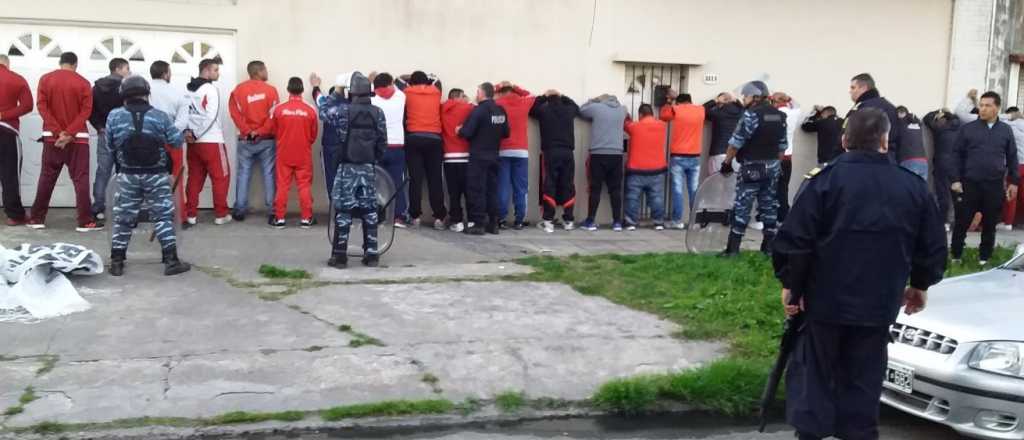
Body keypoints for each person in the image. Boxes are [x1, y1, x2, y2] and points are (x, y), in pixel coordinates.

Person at [773, 107, 947, 440]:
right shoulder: (912, 187)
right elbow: (932, 244)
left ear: (843, 140)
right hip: (878, 305)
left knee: (816, 377)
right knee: (864, 380)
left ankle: (812, 434)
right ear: (885, 140)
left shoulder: (823, 182)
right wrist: (920, 283)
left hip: (824, 303)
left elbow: (795, 240)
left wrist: (791, 286)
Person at [104, 75, 191, 277]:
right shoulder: (160, 116)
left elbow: (109, 145)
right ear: (146, 93)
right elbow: (176, 142)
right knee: (162, 216)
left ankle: (117, 262)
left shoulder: (114, 116)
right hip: (156, 175)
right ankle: (171, 261)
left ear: (123, 95)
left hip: (127, 176)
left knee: (123, 218)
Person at [28, 52, 100, 231]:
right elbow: (86, 111)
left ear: (60, 63)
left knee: (46, 177)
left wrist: (58, 131)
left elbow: (42, 106)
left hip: (52, 138)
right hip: (79, 139)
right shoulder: (83, 83)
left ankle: (36, 219)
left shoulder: (45, 79)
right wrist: (69, 133)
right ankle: (85, 221)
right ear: (76, 64)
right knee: (81, 179)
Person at [950, 91, 1020, 265]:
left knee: (990, 224)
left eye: (988, 106)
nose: (983, 109)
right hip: (970, 183)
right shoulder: (968, 129)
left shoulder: (1005, 130)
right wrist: (955, 179)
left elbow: (1012, 157)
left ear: (997, 108)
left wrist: (1013, 182)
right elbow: (956, 155)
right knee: (962, 222)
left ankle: (984, 258)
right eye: (981, 105)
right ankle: (956, 256)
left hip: (994, 185)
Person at [718, 80, 787, 257]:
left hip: (752, 167)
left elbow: (735, 143)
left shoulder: (751, 115)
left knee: (742, 206)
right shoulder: (779, 116)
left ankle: (733, 250)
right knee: (769, 205)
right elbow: (782, 146)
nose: (744, 99)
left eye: (746, 96)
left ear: (755, 97)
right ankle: (768, 247)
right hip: (772, 165)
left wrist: (726, 163)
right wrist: (776, 166)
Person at [328, 72, 388, 269]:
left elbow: (324, 111)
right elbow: (382, 142)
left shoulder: (343, 111)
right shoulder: (378, 112)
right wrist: (372, 160)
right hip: (368, 168)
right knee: (370, 211)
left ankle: (339, 256)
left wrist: (336, 92)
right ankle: (372, 255)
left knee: (344, 211)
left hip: (347, 168)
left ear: (351, 93)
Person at [229, 60, 279, 224]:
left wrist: (248, 131)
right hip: (266, 141)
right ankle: (273, 211)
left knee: (243, 174)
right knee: (269, 174)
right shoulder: (271, 91)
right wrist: (260, 131)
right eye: (265, 69)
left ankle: (239, 210)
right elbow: (274, 116)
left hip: (246, 141)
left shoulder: (238, 90)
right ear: (259, 71)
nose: (267, 72)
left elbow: (235, 114)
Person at [183, 58, 230, 227]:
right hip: (211, 140)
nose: (218, 73)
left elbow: (183, 114)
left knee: (194, 177)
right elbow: (211, 116)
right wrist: (195, 134)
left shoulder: (187, 89)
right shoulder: (210, 89)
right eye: (216, 70)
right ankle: (221, 214)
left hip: (192, 143)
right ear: (207, 70)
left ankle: (191, 214)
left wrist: (188, 133)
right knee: (221, 177)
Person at [459, 82, 509, 235]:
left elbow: (467, 132)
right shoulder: (500, 111)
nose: (476, 93)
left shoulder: (479, 111)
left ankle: (478, 223)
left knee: (476, 189)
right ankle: (493, 223)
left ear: (481, 93)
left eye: (477, 91)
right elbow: (506, 133)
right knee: (491, 189)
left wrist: (459, 129)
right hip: (494, 155)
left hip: (479, 156)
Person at [271, 77, 318, 228]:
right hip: (303, 153)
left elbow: (274, 131)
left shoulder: (278, 109)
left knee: (282, 186)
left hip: (284, 153)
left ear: (288, 89)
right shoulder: (310, 109)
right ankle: (306, 218)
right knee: (304, 186)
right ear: (302, 89)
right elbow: (313, 135)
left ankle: (279, 219)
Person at [530, 89, 579, 233]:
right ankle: (569, 221)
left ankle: (548, 221)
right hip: (568, 153)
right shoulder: (569, 110)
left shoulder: (544, 111)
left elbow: (532, 109)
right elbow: (576, 108)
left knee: (549, 184)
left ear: (548, 100)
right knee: (568, 185)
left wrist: (543, 97)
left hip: (551, 152)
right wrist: (564, 96)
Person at [148, 61, 191, 225]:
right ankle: (180, 216)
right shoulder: (178, 93)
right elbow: (182, 121)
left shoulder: (146, 91)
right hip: (173, 141)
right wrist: (170, 133)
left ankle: (155, 215)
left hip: (149, 140)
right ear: (166, 73)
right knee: (176, 178)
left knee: (150, 178)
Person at [403, 70, 447, 230]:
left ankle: (415, 217)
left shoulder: (406, 92)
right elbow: (437, 78)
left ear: (411, 82)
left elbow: (397, 80)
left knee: (415, 179)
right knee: (435, 179)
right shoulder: (436, 92)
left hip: (414, 137)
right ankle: (440, 218)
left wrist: (405, 77)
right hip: (434, 138)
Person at [89, 57, 131, 221]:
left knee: (103, 171)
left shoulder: (96, 88)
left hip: (104, 132)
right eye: (127, 68)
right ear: (119, 69)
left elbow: (90, 110)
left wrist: (99, 127)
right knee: (124, 171)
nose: (128, 72)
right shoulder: (126, 87)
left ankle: (98, 208)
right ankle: (122, 209)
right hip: (123, 134)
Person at [579, 93, 627, 232]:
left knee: (595, 189)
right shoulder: (622, 109)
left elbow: (582, 110)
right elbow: (627, 115)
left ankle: (590, 221)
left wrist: (593, 99)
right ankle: (617, 222)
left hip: (598, 153)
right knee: (615, 190)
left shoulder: (597, 107)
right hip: (617, 154)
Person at [494, 81, 536, 230]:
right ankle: (519, 220)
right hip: (521, 151)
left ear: (500, 92)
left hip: (503, 150)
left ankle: (501, 219)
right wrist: (516, 86)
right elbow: (532, 95)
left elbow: (486, 98)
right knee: (521, 187)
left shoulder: (498, 103)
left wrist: (497, 87)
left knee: (502, 186)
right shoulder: (524, 102)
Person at [660, 91, 705, 229]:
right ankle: (695, 222)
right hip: (695, 155)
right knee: (694, 190)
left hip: (678, 155)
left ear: (678, 102)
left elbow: (663, 116)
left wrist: (669, 101)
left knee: (677, 190)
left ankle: (677, 221)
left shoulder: (676, 109)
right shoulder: (701, 110)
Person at [370, 72, 409, 227]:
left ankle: (376, 215)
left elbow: (373, 90)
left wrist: (371, 81)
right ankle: (398, 217)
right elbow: (401, 83)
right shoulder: (401, 97)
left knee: (377, 183)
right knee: (396, 182)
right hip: (397, 147)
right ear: (390, 84)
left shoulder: (373, 101)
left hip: (378, 146)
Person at [623, 103, 668, 231]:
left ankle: (631, 223)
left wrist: (626, 115)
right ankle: (658, 222)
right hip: (657, 169)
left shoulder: (634, 126)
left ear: (640, 114)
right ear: (652, 114)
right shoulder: (662, 126)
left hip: (636, 169)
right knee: (657, 197)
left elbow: (625, 124)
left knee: (633, 196)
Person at [0, 54, 32, 226]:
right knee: (9, 174)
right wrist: (4, 115)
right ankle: (15, 215)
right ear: (7, 64)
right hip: (7, 130)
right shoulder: (16, 79)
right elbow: (27, 105)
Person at [310, 72, 351, 196]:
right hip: (348, 147)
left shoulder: (325, 104)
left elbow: (316, 95)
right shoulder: (351, 105)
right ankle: (347, 207)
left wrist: (315, 85)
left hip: (330, 147)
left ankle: (334, 208)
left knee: (331, 177)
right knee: (348, 178)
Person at [440, 88, 475, 232]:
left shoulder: (442, 108)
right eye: (464, 96)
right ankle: (472, 220)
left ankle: (457, 221)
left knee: (453, 193)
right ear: (459, 97)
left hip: (449, 158)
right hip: (466, 157)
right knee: (469, 191)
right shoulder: (468, 108)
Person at [844, 73, 900, 156]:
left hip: (865, 160)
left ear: (863, 88)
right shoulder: (890, 107)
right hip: (888, 159)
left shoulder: (863, 108)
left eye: (853, 87)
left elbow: (852, 137)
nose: (850, 91)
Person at [923, 108, 961, 227]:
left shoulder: (940, 128)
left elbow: (927, 118)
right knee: (956, 194)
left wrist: (937, 112)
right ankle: (958, 222)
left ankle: (944, 222)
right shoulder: (958, 127)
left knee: (943, 193)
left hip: (942, 164)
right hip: (956, 164)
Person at [772, 92, 801, 223]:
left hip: (774, 157)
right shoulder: (794, 113)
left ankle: (772, 216)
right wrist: (788, 97)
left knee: (771, 189)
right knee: (783, 188)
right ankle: (783, 215)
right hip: (788, 157)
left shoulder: (774, 115)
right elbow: (797, 105)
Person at [703, 92, 744, 172]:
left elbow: (701, 111)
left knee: (716, 182)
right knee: (733, 183)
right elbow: (746, 109)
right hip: (735, 155)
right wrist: (736, 101)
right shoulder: (741, 112)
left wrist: (715, 100)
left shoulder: (719, 113)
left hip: (718, 154)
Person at [1001, 107, 1024, 229]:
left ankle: (1008, 222)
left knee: (1011, 193)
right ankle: (1019, 221)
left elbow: (996, 118)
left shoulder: (1010, 126)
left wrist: (1009, 117)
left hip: (1016, 165)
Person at [894, 106, 929, 180]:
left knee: (907, 189)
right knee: (922, 189)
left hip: (908, 161)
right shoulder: (917, 124)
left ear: (900, 114)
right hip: (923, 161)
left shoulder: (901, 125)